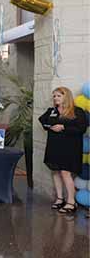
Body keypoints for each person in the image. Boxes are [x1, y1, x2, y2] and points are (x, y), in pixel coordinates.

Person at [39, 86, 88, 216]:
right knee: (55, 171)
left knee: (65, 173)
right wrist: (49, 126)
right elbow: (42, 121)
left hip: (70, 148)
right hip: (54, 146)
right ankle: (60, 198)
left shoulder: (77, 111)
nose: (55, 98)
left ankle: (71, 202)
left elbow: (81, 129)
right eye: (54, 96)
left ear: (66, 97)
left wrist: (63, 127)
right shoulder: (52, 111)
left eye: (58, 96)